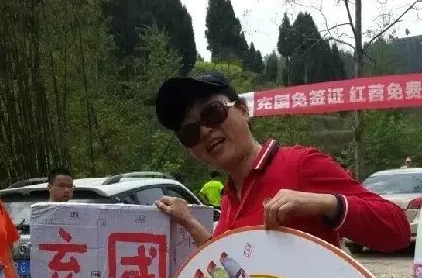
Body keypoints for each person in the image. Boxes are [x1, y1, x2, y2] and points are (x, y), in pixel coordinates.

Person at [154, 72, 410, 251]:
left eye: (213, 112)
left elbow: (398, 230)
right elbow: (229, 270)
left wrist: (323, 204)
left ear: (243, 110)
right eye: (190, 132)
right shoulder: (230, 199)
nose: (205, 131)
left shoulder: (301, 164)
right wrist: (189, 221)